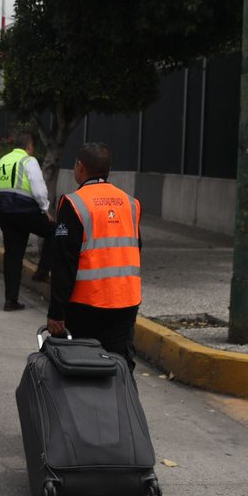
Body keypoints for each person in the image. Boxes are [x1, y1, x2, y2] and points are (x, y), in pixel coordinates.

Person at [46, 142, 142, 372]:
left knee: (85, 367)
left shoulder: (74, 204)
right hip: (126, 301)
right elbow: (135, 249)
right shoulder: (130, 203)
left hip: (87, 304)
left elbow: (64, 261)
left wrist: (56, 313)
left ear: (80, 167)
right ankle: (123, 407)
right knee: (120, 367)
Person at [0, 131, 53, 311]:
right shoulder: (29, 160)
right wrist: (45, 209)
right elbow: (38, 188)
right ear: (29, 147)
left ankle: (10, 301)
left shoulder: (3, 160)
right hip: (25, 210)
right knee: (56, 231)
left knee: (13, 255)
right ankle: (42, 271)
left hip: (4, 212)